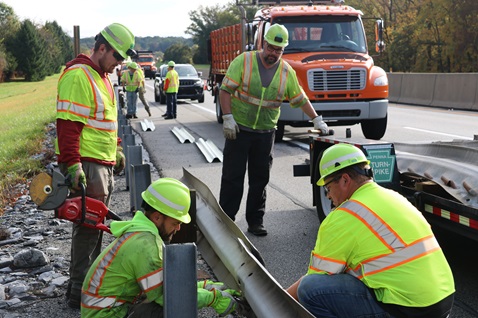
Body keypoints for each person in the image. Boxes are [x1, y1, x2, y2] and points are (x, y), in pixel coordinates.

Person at [286, 143, 455, 317]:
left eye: (328, 188)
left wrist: (276, 301)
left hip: (409, 310)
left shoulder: (344, 216)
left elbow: (314, 278)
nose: (328, 195)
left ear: (345, 180)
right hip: (442, 300)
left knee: (310, 289)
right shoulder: (392, 196)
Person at [218, 24, 328, 236]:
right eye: (271, 48)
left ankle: (255, 221)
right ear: (264, 44)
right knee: (233, 177)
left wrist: (316, 120)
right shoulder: (244, 61)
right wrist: (227, 117)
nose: (273, 54)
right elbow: (225, 90)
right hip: (239, 130)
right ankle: (227, 220)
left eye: (278, 50)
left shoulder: (287, 71)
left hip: (265, 133)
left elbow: (300, 98)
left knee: (260, 179)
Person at [55, 23, 135, 308]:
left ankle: (88, 285)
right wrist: (73, 165)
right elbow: (68, 126)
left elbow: (107, 124)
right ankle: (79, 291)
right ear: (102, 48)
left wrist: (117, 151)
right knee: (88, 228)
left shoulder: (102, 77)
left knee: (95, 226)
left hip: (102, 165)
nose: (118, 64)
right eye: (116, 57)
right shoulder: (79, 75)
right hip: (88, 165)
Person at [81, 178, 242, 317]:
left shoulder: (139, 233)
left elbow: (162, 285)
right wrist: (212, 298)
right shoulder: (146, 246)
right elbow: (169, 296)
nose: (178, 228)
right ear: (157, 217)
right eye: (175, 223)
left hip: (105, 311)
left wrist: (203, 286)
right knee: (172, 309)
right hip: (107, 315)